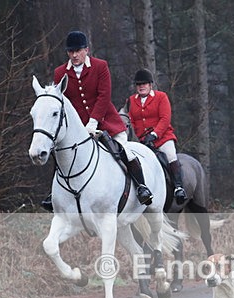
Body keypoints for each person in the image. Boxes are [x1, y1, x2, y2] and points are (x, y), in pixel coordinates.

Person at [42, 30, 153, 211]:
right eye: (71, 52)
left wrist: (93, 121)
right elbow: (60, 101)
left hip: (106, 122)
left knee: (125, 151)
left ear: (86, 49)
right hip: (77, 128)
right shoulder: (60, 72)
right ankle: (53, 194)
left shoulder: (100, 66)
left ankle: (142, 187)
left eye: (78, 50)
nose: (74, 55)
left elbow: (104, 96)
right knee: (61, 154)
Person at [126, 69, 187, 204]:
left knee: (171, 156)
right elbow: (132, 120)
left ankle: (178, 187)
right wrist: (139, 136)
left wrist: (154, 134)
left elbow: (165, 119)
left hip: (163, 138)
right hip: (143, 141)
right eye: (139, 84)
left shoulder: (161, 97)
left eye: (144, 84)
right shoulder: (131, 100)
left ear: (150, 85)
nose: (141, 86)